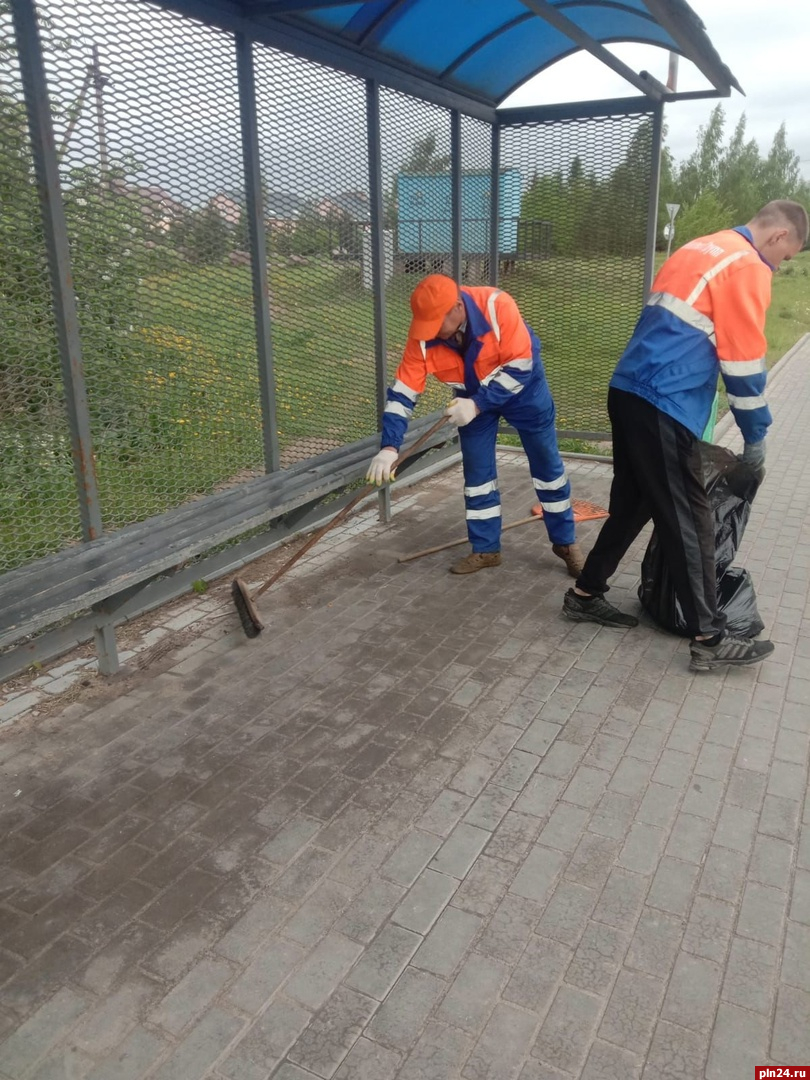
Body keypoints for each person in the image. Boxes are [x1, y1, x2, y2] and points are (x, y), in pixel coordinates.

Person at [562, 199, 809, 672]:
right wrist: (756, 437)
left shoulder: (702, 247)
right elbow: (744, 360)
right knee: (691, 519)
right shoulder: (747, 265)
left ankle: (585, 593)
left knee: (635, 502)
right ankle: (711, 637)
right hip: (662, 399)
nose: (781, 266)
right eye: (788, 257)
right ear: (778, 237)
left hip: (630, 389)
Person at [366, 274, 584, 577]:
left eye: (435, 324)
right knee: (478, 475)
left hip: (524, 394)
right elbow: (403, 392)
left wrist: (478, 404)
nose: (430, 333)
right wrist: (389, 447)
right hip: (469, 401)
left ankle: (565, 544)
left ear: (457, 308)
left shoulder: (497, 306)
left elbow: (521, 367)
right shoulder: (424, 335)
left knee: (548, 469)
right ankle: (486, 549)